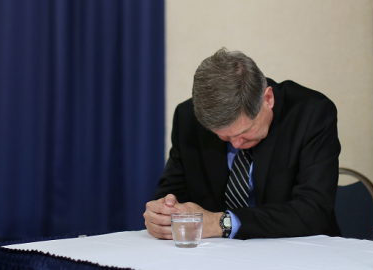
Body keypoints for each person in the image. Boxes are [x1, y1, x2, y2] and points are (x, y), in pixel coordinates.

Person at [143, 48, 341, 240]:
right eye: (224, 137)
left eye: (245, 132)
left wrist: (220, 222)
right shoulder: (187, 118)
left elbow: (313, 211)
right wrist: (163, 213)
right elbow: (173, 192)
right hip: (216, 255)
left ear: (268, 99)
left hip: (302, 250)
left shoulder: (312, 114)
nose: (236, 145)